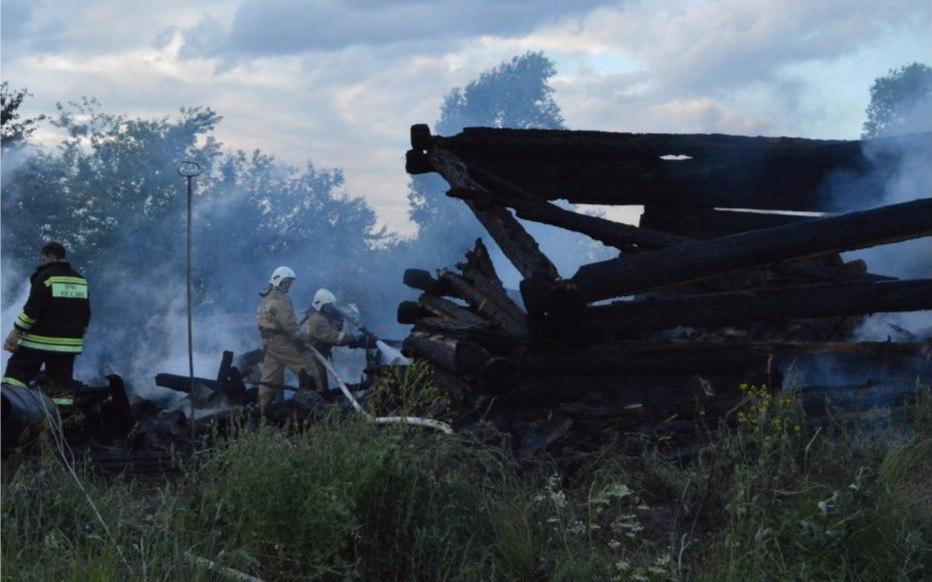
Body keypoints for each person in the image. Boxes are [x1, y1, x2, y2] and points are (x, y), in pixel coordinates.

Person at [2, 241, 91, 390]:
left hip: (39, 341)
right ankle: (63, 411)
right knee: (61, 384)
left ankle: (9, 408)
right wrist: (79, 333)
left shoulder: (46, 277)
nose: (43, 262)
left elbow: (32, 310)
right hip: (69, 345)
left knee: (16, 374)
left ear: (50, 256)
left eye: (44, 259)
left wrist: (17, 331)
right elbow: (85, 313)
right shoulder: (80, 280)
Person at [255, 266, 320, 406]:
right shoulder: (281, 299)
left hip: (269, 342)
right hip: (282, 342)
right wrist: (306, 340)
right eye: (288, 282)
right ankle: (315, 403)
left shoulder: (266, 299)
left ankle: (262, 409)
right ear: (280, 281)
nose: (289, 285)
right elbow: (290, 327)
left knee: (269, 377)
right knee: (307, 367)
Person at [305, 288, 372, 390]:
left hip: (320, 354)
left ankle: (322, 400)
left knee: (322, 381)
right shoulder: (317, 319)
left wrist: (338, 318)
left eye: (332, 304)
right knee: (318, 384)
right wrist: (354, 339)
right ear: (321, 305)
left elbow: (335, 328)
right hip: (313, 356)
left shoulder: (323, 314)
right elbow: (334, 336)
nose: (331, 307)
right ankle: (318, 402)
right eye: (329, 305)